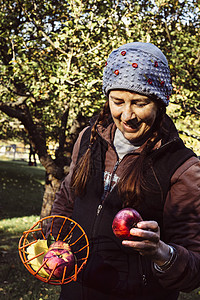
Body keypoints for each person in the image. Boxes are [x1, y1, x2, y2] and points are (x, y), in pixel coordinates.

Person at [49, 42, 200, 300]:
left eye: (140, 103)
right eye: (117, 101)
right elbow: (66, 199)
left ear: (160, 104)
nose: (127, 115)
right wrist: (58, 243)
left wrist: (163, 253)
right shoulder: (88, 139)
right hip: (75, 290)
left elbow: (194, 269)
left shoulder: (183, 168)